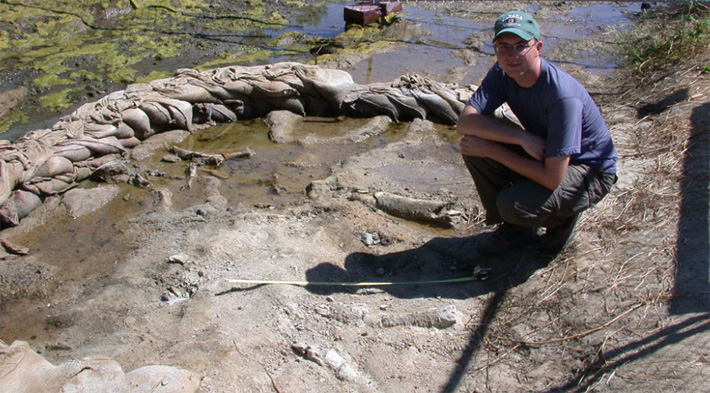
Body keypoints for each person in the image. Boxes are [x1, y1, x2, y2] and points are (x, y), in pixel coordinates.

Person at [457, 11, 618, 256]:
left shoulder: (562, 97)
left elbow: (552, 178)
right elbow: (466, 123)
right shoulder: (502, 72)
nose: (512, 55)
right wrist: (521, 137)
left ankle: (561, 220)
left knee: (512, 202)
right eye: (504, 47)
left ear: (538, 47)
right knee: (473, 144)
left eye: (521, 46)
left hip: (589, 171)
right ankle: (516, 228)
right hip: (547, 151)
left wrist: (493, 149)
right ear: (495, 49)